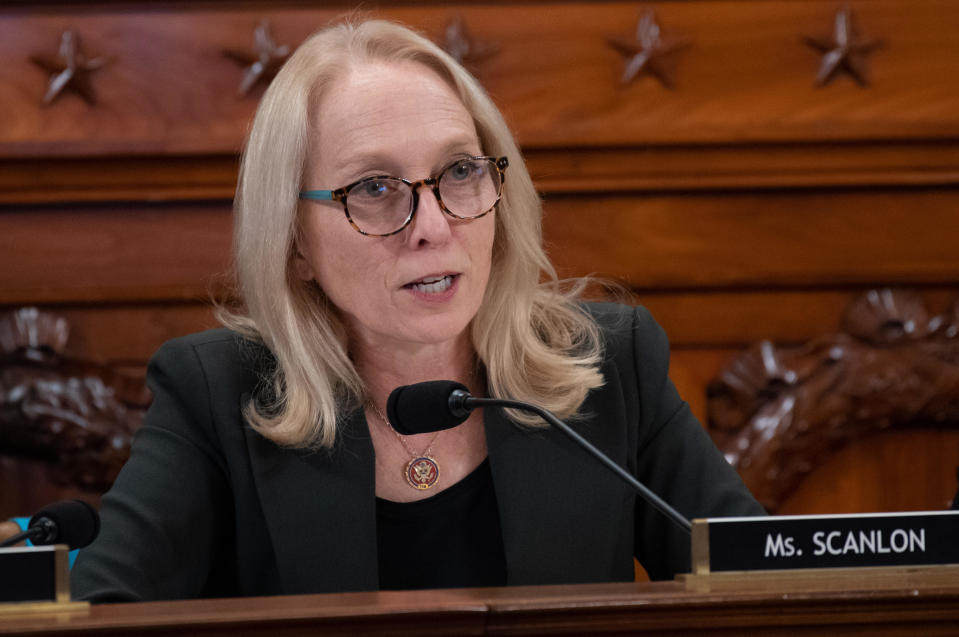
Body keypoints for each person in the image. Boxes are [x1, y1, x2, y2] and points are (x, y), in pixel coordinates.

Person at [69, 19, 764, 602]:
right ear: (293, 241)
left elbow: (759, 581)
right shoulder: (215, 396)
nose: (431, 225)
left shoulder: (610, 365)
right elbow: (104, 609)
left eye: (460, 171)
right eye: (374, 186)